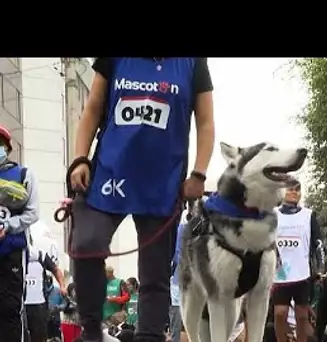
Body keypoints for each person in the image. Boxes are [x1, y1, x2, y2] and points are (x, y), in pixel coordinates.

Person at [68, 57, 214, 342]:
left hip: (163, 180)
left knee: (155, 274)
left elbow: (206, 123)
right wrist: (79, 159)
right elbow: (92, 109)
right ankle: (91, 330)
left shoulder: (193, 62)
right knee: (87, 243)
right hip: (110, 173)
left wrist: (198, 173)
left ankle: (149, 336)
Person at [0, 124, 39, 342]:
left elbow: (33, 213)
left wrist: (9, 226)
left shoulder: (23, 174)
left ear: (7, 148)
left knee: (10, 308)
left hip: (12, 251)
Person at [273, 181, 325, 342]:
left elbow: (318, 243)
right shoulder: (272, 214)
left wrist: (321, 266)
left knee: (302, 315)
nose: (294, 192)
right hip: (281, 271)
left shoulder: (308, 215)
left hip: (302, 271)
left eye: (298, 190)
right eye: (290, 189)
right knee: (280, 313)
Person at [24, 244, 67, 342]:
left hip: (38, 304)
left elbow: (56, 270)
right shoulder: (12, 252)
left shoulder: (40, 254)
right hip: (20, 304)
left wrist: (62, 286)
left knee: (39, 337)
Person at [169, 223, 185, 342]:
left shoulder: (180, 228)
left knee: (176, 317)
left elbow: (175, 256)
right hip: (180, 280)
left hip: (178, 279)